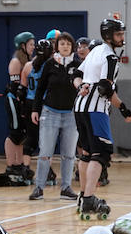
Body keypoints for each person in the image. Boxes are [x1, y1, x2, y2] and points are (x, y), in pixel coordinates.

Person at [73, 17, 131, 218]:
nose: (122, 37)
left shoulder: (95, 51)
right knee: (101, 153)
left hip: (80, 106)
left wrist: (80, 86)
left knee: (86, 152)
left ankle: (83, 196)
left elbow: (76, 73)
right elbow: (105, 88)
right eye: (119, 34)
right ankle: (90, 199)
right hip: (95, 108)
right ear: (109, 35)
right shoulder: (109, 56)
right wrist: (124, 109)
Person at [29, 32, 80, 202]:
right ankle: (39, 188)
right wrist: (35, 110)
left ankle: (66, 187)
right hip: (50, 113)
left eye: (68, 44)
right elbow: (40, 89)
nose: (65, 46)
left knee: (68, 154)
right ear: (56, 46)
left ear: (72, 47)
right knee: (45, 153)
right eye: (62, 44)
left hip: (71, 116)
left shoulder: (78, 65)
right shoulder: (50, 64)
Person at [20, 39, 55, 185]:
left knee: (31, 137)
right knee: (47, 139)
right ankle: (46, 171)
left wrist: (22, 108)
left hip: (29, 103)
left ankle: (26, 170)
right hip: (45, 104)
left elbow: (22, 89)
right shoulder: (50, 66)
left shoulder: (28, 65)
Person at [5, 32, 34, 177]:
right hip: (13, 99)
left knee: (22, 133)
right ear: (22, 46)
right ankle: (11, 165)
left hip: (21, 100)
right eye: (30, 44)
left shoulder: (28, 60)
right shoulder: (16, 61)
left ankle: (19, 163)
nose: (33, 47)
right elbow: (15, 87)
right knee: (14, 132)